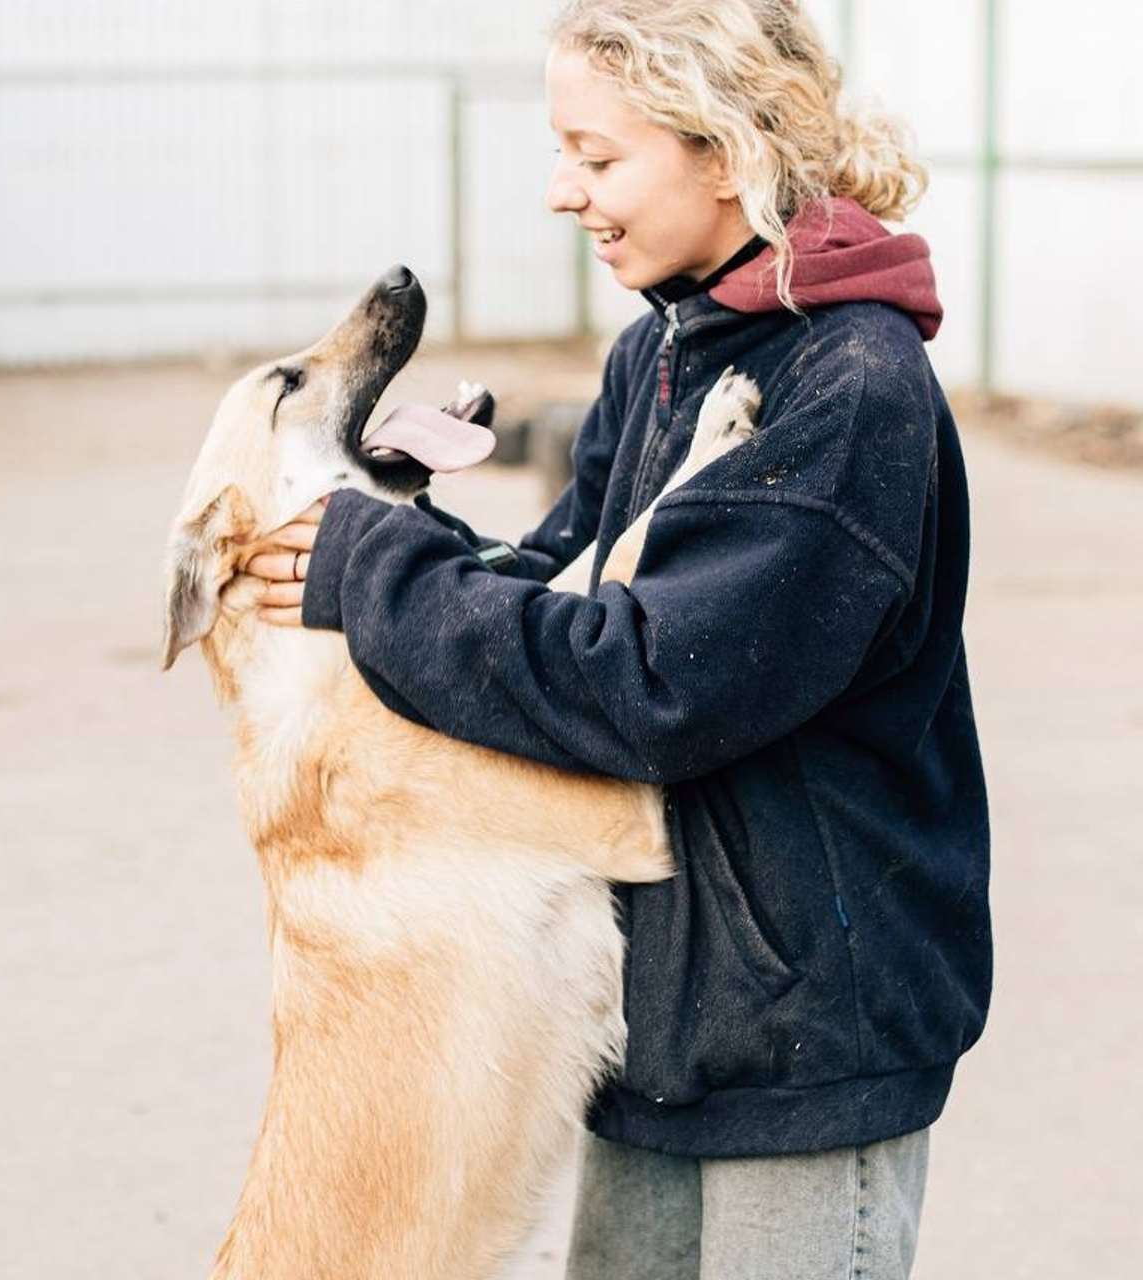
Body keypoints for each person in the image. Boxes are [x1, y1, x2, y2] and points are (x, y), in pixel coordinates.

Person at [241, 2, 991, 1276]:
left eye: (596, 157)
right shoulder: (667, 348)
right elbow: (556, 589)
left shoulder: (845, 390)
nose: (558, 193)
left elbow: (649, 682)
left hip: (797, 1034)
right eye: (559, 152)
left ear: (727, 147)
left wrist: (376, 572)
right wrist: (404, 533)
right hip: (658, 1015)